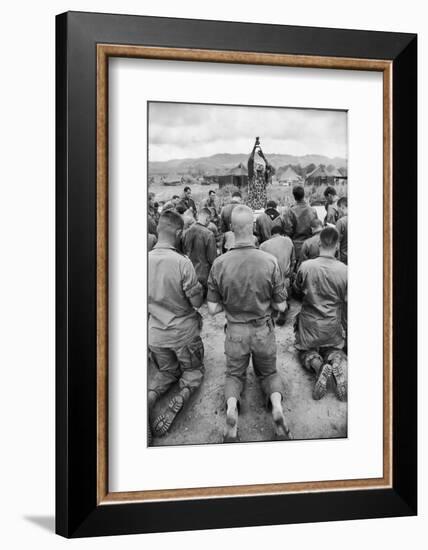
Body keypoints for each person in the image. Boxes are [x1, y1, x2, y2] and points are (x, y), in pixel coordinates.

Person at [207, 205, 291, 442]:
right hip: (263, 330)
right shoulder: (270, 261)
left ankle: (232, 410)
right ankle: (277, 408)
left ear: (232, 229)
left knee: (234, 375)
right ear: (253, 227)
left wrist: (231, 305)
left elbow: (212, 309)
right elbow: (282, 306)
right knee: (269, 373)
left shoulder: (219, 264)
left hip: (235, 332)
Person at [148, 210, 205, 441]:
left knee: (166, 371)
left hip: (156, 338)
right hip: (183, 335)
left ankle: (150, 398)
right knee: (193, 371)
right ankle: (183, 393)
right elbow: (197, 302)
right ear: (179, 233)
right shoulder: (183, 263)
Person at [293, 227, 347, 402]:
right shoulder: (345, 270)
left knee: (305, 351)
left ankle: (318, 367)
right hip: (332, 325)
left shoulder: (306, 266)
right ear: (337, 246)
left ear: (319, 243)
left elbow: (297, 289)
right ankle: (336, 364)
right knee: (334, 350)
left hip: (309, 325)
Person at [260, 225, 295, 325]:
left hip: (270, 278)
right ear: (281, 233)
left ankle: (272, 310)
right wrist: (290, 275)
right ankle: (283, 309)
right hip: (285, 278)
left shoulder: (263, 245)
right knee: (285, 288)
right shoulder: (288, 241)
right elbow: (293, 261)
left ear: (271, 234)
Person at [273, 185, 318, 264]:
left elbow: (288, 230)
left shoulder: (290, 211)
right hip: (311, 245)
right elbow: (316, 227)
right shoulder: (312, 210)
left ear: (294, 196)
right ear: (304, 195)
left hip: (296, 246)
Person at [183, 208, 217, 297]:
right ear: (208, 219)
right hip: (204, 275)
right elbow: (212, 259)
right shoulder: (209, 234)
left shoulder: (187, 232)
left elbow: (184, 252)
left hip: (189, 273)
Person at [246, 138, 275, 210]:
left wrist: (263, 157)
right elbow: (250, 162)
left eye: (261, 168)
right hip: (252, 206)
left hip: (262, 206)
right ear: (256, 169)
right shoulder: (252, 176)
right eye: (258, 169)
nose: (259, 171)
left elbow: (269, 168)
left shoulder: (264, 177)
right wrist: (254, 148)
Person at [336, 197, 348, 264]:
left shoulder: (341, 222)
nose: (339, 212)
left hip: (344, 258)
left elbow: (336, 244)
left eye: (338, 210)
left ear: (342, 207)